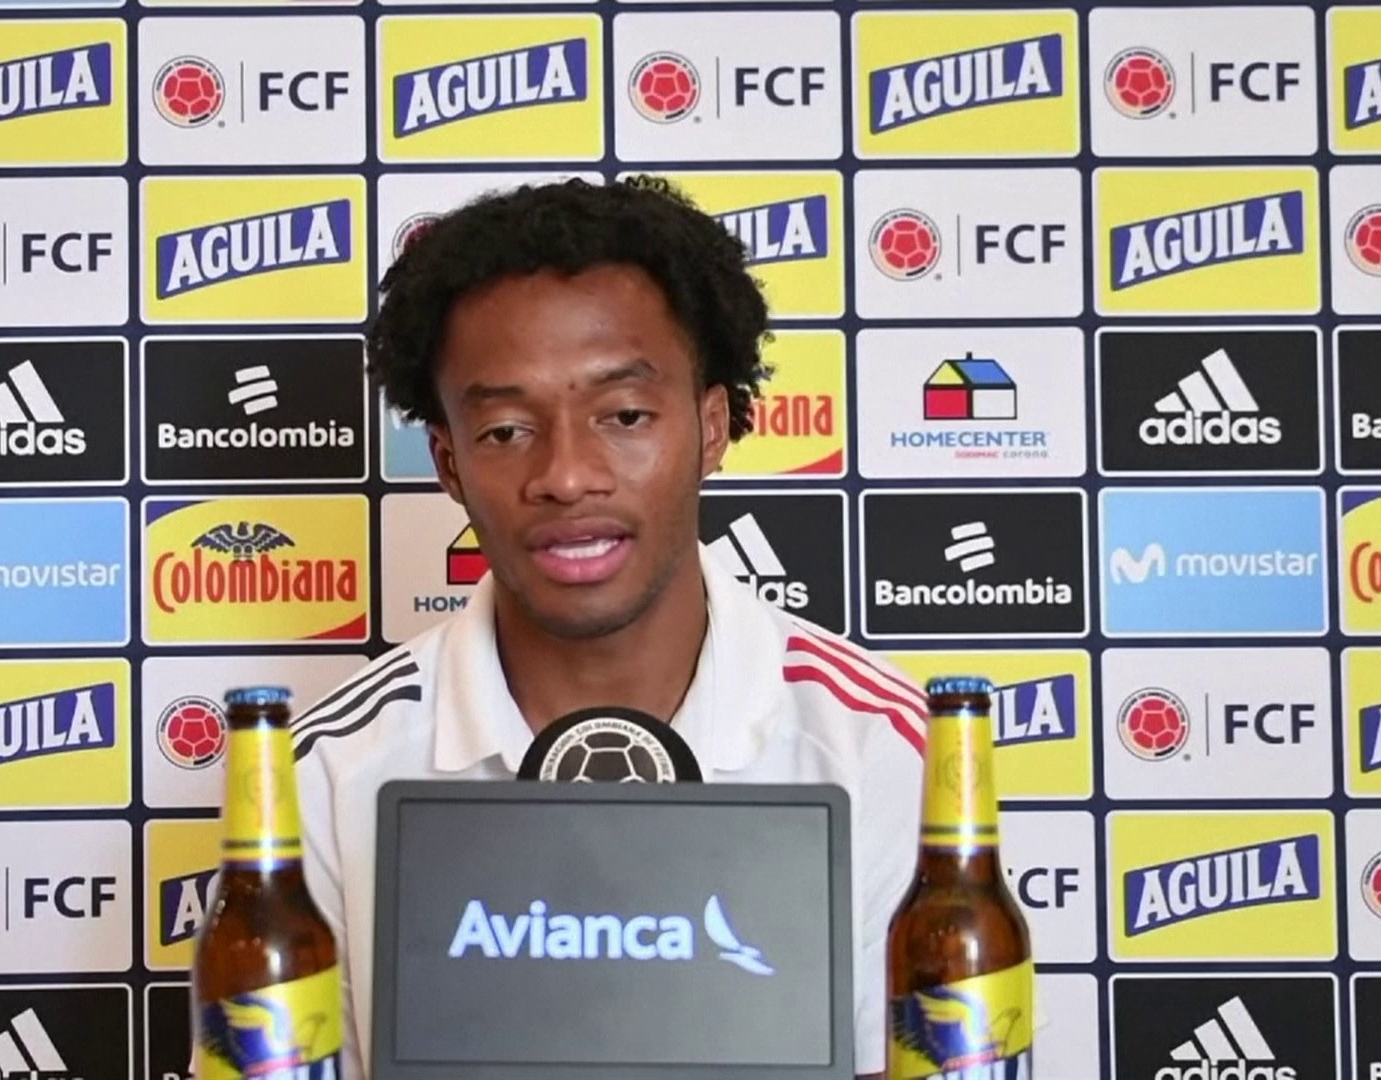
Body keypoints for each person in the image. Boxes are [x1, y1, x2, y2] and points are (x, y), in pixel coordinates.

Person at [291, 174, 928, 1079]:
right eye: (507, 430)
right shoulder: (324, 773)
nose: (568, 474)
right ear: (448, 463)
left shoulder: (880, 749)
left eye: (624, 416)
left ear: (713, 425)